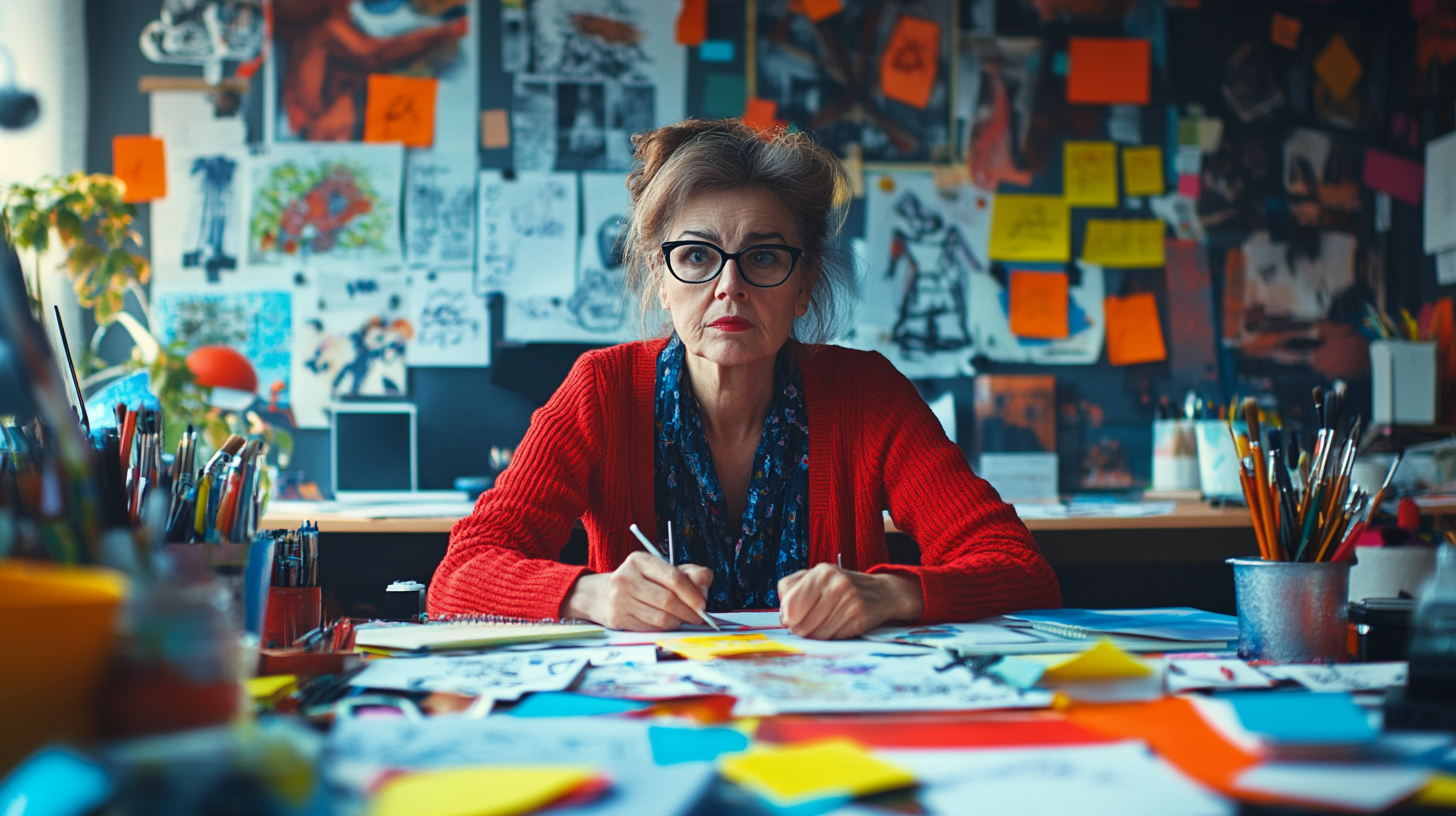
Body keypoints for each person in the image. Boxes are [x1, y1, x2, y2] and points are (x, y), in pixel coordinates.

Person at [429, 119, 1060, 639]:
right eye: (697, 256)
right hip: (650, 715)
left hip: (829, 720)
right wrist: (591, 594)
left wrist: (892, 592)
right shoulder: (602, 389)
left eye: (763, 257)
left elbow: (1020, 567)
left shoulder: (866, 394)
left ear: (805, 283)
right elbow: (459, 574)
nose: (729, 287)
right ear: (661, 275)